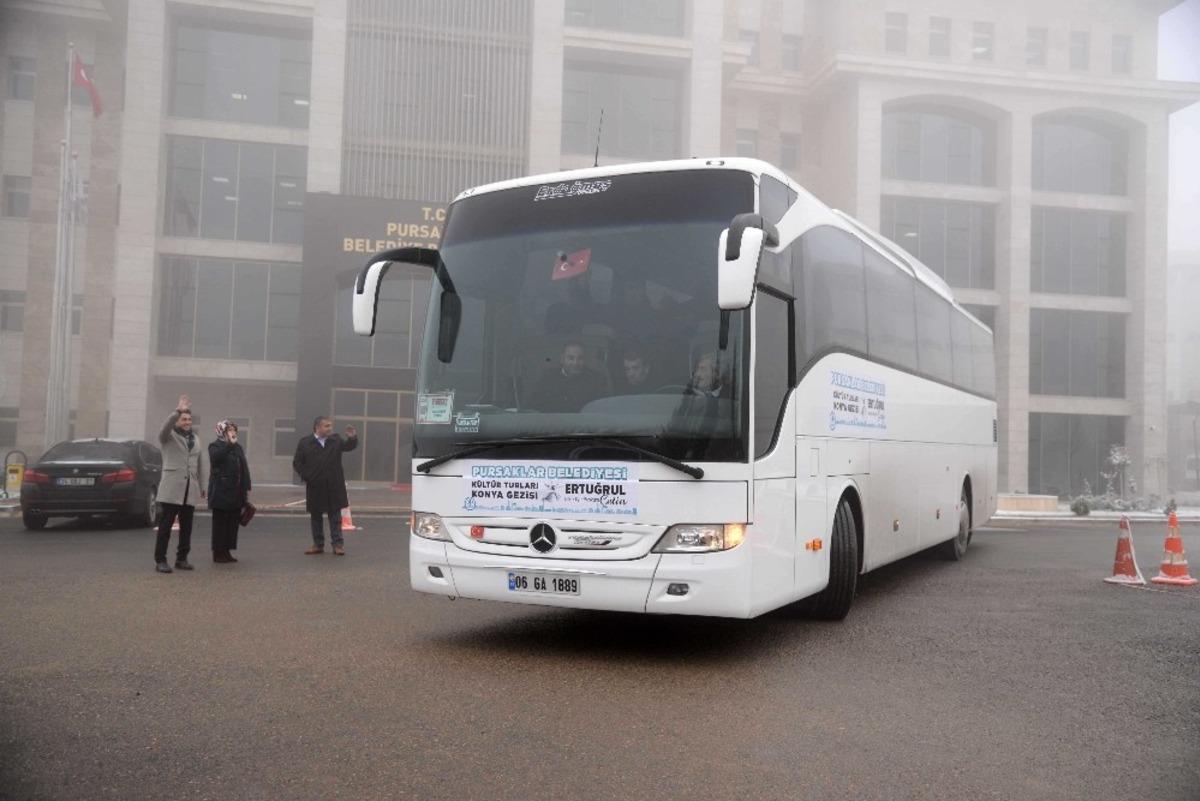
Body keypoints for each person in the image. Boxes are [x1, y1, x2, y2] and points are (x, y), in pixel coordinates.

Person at [154, 395, 208, 574]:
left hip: (189, 489)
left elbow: (200, 463)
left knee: (187, 527)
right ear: (176, 421)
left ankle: (182, 558)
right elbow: (164, 427)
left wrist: (202, 485)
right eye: (183, 419)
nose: (187, 422)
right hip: (171, 488)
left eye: (189, 419)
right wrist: (177, 409)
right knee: (165, 527)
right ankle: (160, 560)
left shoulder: (196, 439)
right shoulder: (168, 437)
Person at [292, 416, 358, 556]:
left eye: (330, 426)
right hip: (315, 486)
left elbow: (348, 447)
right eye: (326, 426)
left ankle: (338, 545)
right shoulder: (305, 443)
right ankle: (318, 544)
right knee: (316, 517)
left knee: (335, 517)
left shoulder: (335, 440)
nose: (330, 428)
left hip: (334, 485)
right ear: (317, 427)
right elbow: (297, 463)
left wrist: (352, 438)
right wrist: (308, 476)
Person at [208, 419, 251, 564]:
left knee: (232, 524)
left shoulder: (238, 447)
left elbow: (243, 468)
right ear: (221, 431)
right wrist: (228, 445)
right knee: (220, 524)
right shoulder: (215, 446)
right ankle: (218, 553)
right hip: (221, 491)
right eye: (230, 430)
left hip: (236, 492)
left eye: (234, 430)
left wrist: (246, 488)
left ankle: (227, 552)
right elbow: (215, 458)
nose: (233, 433)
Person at [529, 341, 607, 412]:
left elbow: (602, 410)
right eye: (570, 358)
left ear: (585, 360)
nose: (575, 363)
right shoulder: (547, 378)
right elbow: (533, 407)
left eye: (580, 358)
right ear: (562, 359)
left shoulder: (597, 380)